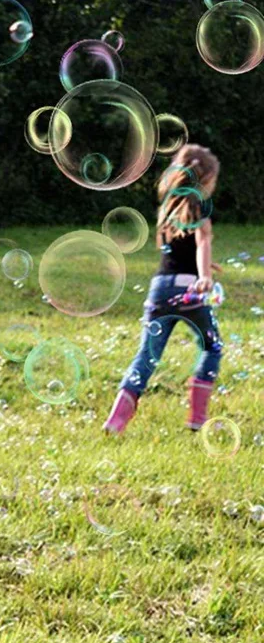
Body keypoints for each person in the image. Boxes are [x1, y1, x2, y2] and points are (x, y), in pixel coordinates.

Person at [103, 144, 224, 434]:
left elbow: (177, 251)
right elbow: (201, 242)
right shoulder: (200, 209)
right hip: (190, 291)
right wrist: (204, 275)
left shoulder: (168, 209)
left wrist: (203, 266)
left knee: (146, 355)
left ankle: (116, 420)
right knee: (212, 347)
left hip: (160, 288)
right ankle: (197, 418)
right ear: (206, 179)